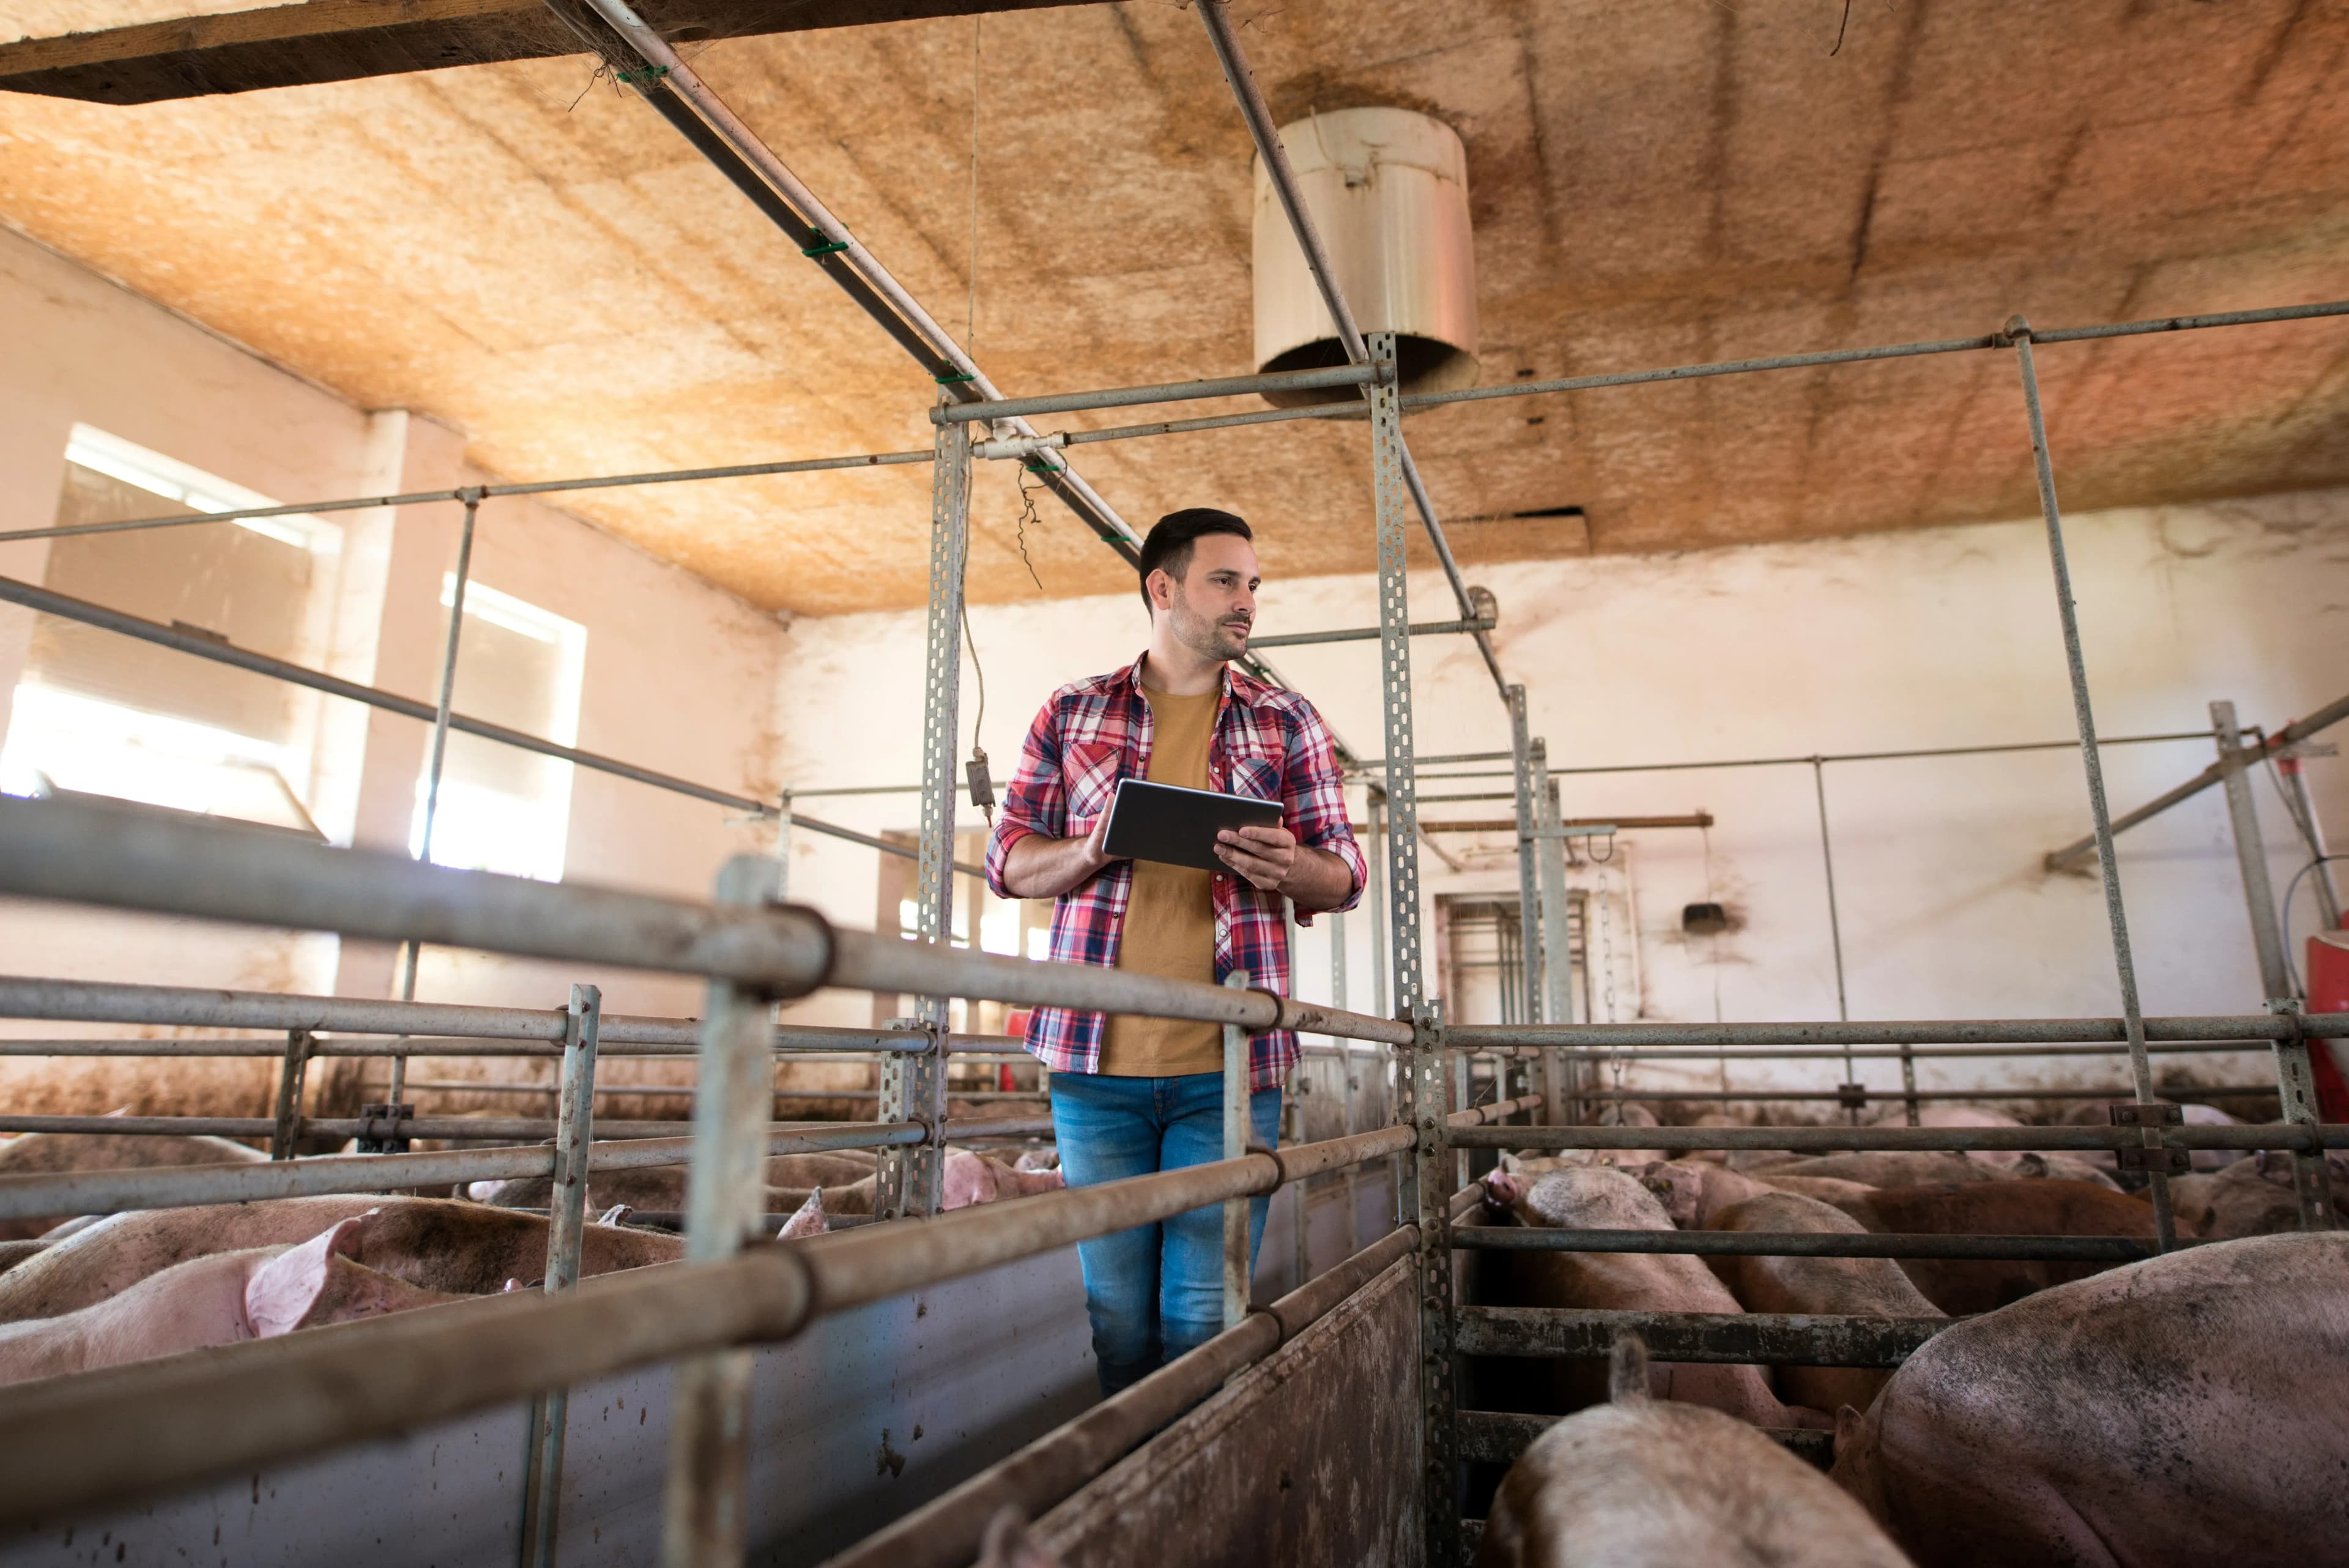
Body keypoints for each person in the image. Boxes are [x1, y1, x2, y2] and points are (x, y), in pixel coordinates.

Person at [986, 507, 1367, 1394]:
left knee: (1203, 1321)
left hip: (1229, 1069)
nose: (1247, 603)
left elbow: (1345, 874)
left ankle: (1193, 1502)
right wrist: (1087, 848)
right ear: (1164, 588)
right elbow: (1008, 859)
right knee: (1117, 1320)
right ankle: (1135, 1505)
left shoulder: (1287, 719)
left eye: (1253, 585)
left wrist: (1293, 865)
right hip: (1094, 1064)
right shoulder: (1073, 710)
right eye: (1225, 581)